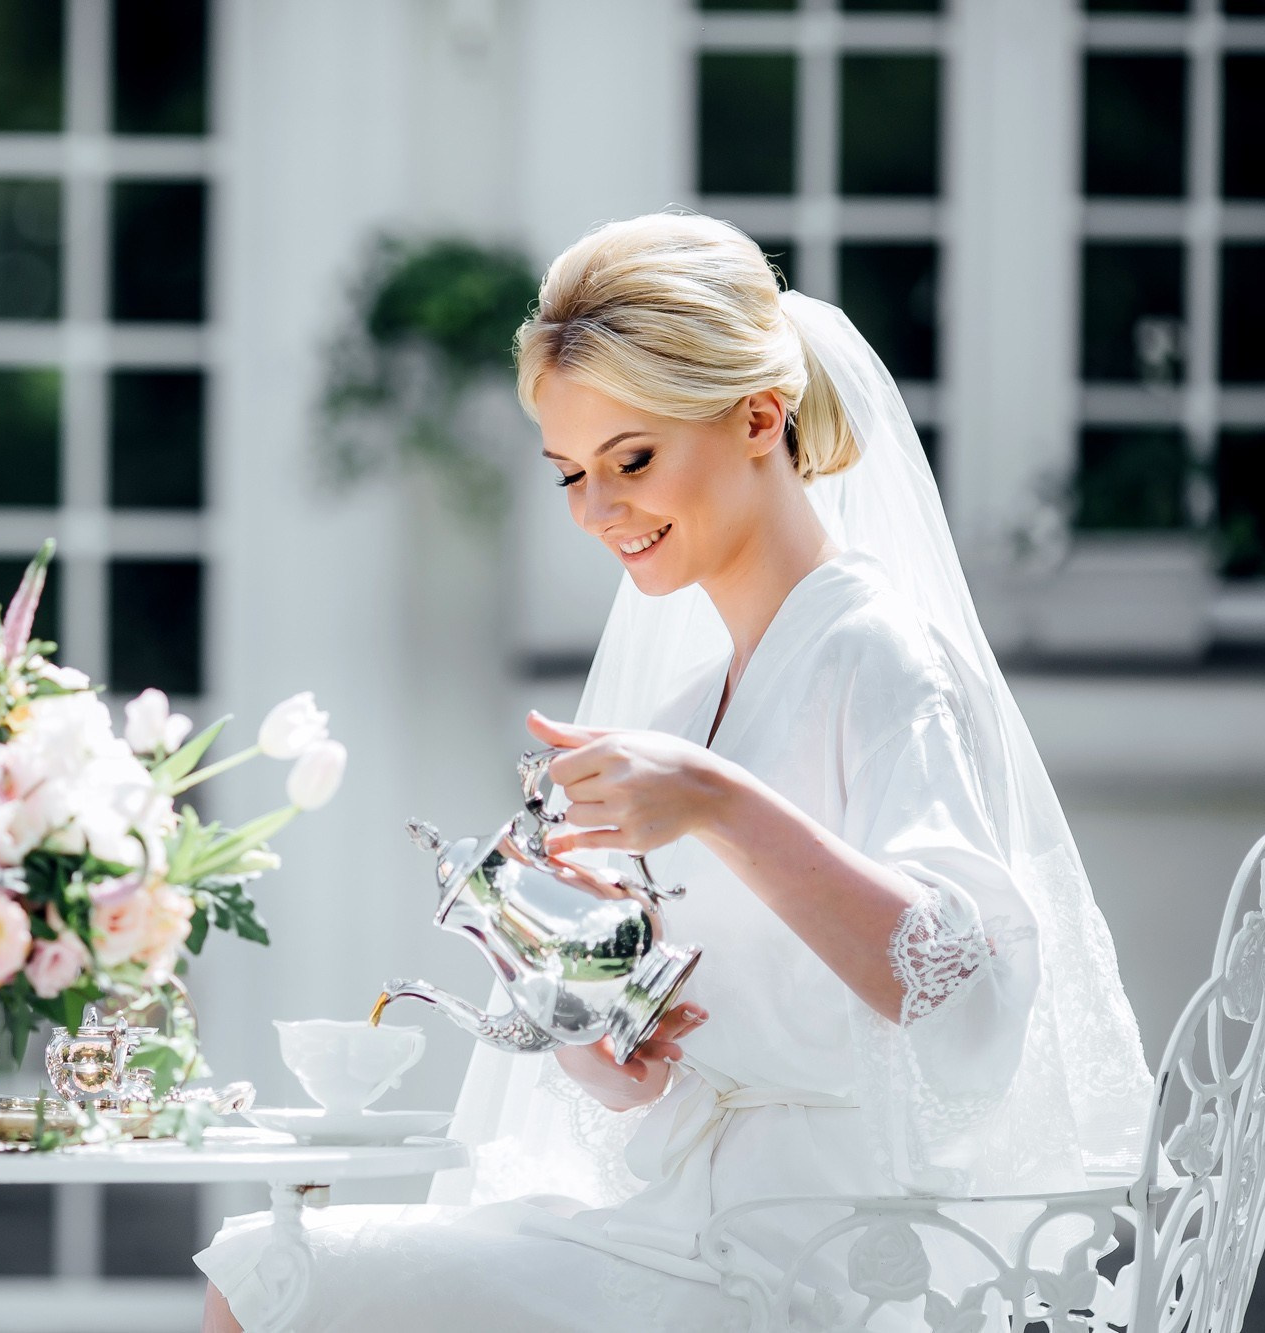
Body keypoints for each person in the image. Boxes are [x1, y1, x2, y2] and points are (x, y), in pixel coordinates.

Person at [194, 213, 1152, 1331]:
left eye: (630, 460)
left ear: (757, 417)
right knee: (263, 1269)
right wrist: (602, 1031)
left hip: (830, 1251)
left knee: (275, 1282)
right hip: (686, 1220)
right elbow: (659, 1069)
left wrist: (714, 800)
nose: (598, 512)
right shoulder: (692, 699)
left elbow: (955, 986)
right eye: (568, 475)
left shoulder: (874, 650)